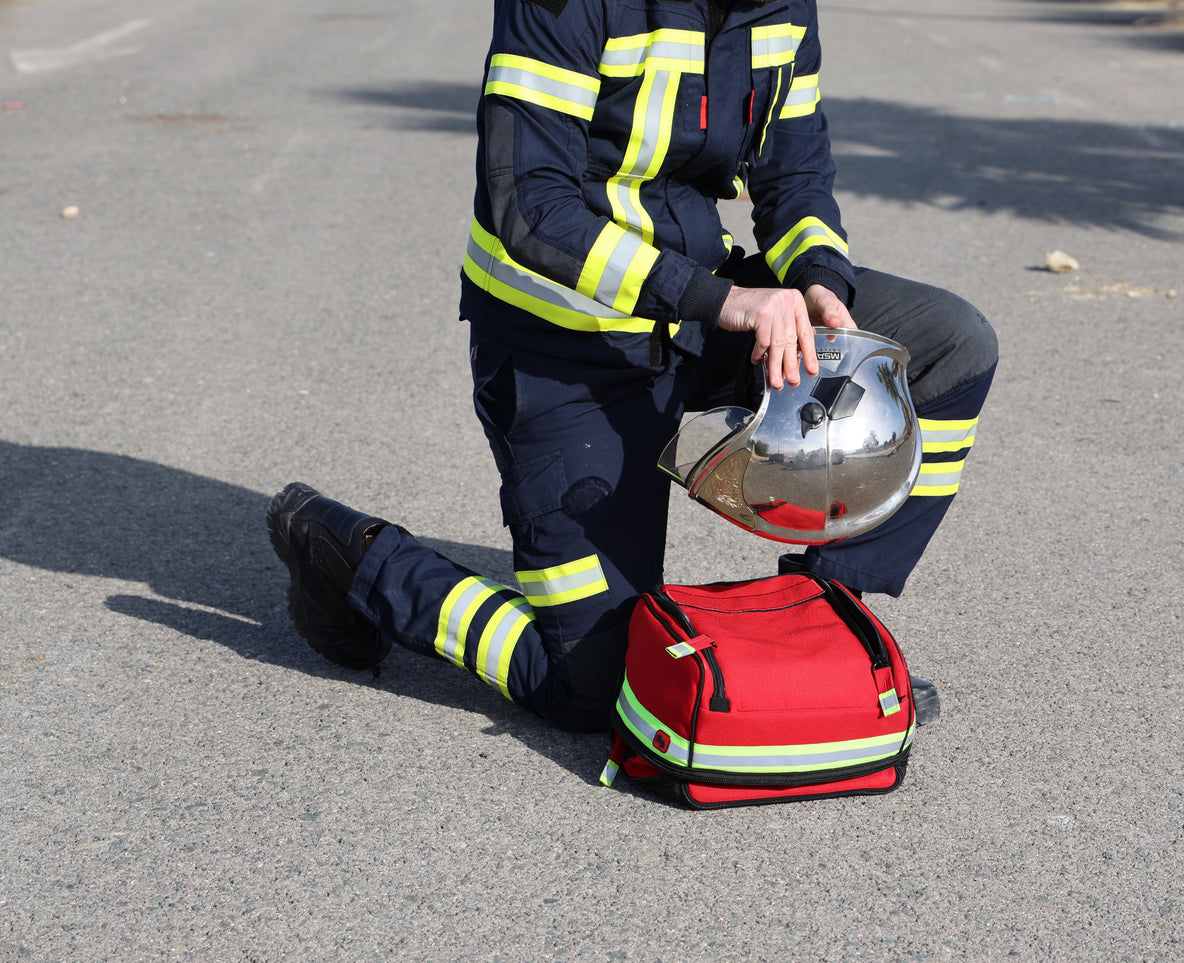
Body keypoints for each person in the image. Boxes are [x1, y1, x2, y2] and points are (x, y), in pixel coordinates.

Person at [268, 0, 997, 733]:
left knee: (947, 344)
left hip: (701, 313)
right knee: (594, 686)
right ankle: (357, 559)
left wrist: (817, 282)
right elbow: (529, 206)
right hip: (564, 348)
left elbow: (794, 169)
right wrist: (722, 300)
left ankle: (819, 621)